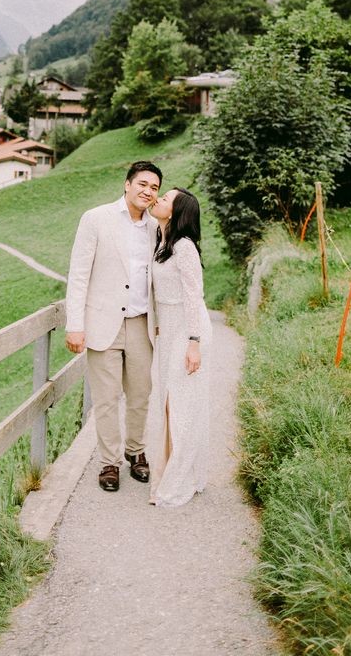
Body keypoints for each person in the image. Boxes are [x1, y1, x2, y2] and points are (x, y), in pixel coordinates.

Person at [65, 161, 162, 492]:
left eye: (154, 187)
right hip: (102, 322)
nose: (148, 191)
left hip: (141, 323)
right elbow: (79, 275)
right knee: (105, 398)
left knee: (140, 394)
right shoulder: (96, 219)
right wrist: (74, 324)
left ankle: (136, 452)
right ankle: (109, 462)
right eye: (142, 184)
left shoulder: (157, 228)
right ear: (127, 184)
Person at [147, 187, 212, 507]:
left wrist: (195, 343)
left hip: (188, 330)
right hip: (169, 330)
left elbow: (193, 297)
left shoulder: (184, 248)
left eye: (165, 199)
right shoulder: (162, 243)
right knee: (169, 403)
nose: (157, 199)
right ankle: (171, 470)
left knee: (181, 405)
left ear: (176, 212)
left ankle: (179, 478)